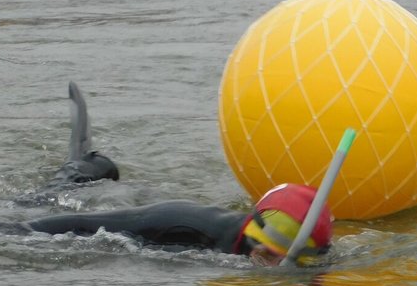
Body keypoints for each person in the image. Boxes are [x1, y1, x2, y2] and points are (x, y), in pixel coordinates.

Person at [23, 82, 333, 266]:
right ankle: (87, 168)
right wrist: (11, 230)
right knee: (43, 201)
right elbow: (79, 225)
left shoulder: (297, 253)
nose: (276, 267)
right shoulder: (182, 225)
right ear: (258, 248)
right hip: (139, 213)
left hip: (153, 201)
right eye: (272, 259)